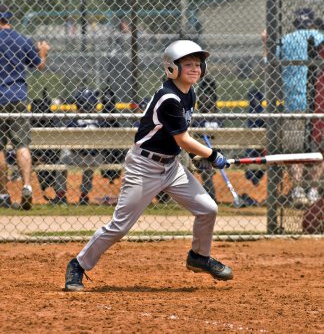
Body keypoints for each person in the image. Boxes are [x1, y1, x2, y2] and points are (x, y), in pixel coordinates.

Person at [64, 40, 234, 291]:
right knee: (120, 227)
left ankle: (199, 256)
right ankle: (78, 265)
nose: (195, 69)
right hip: (144, 166)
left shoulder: (189, 93)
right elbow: (184, 138)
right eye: (188, 64)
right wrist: (212, 155)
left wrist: (194, 155)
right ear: (172, 68)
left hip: (171, 166)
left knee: (208, 209)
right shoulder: (169, 98)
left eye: (198, 64)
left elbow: (177, 137)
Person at [262, 8, 324, 206]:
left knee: (294, 148)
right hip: (319, 104)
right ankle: (313, 190)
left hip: (294, 103)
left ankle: (298, 190)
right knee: (320, 148)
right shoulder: (319, 36)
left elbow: (268, 62)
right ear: (312, 23)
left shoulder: (285, 39)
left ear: (295, 22)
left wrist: (266, 43)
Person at [0, 5, 50, 210]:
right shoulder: (22, 39)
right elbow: (38, 65)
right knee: (22, 145)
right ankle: (27, 186)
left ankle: (3, 194)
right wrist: (43, 52)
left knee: (0, 148)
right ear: (8, 19)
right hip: (19, 97)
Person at [47, 88, 103, 205]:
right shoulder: (100, 120)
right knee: (91, 160)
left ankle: (61, 195)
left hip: (76, 156)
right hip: (94, 159)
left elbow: (64, 136)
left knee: (61, 161)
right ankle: (84, 196)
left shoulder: (75, 121)